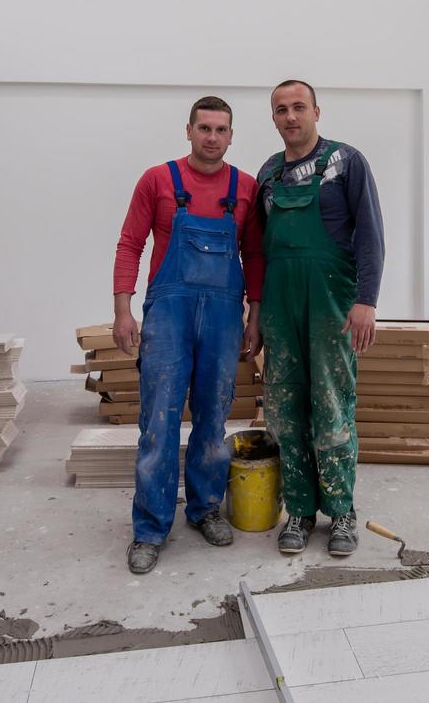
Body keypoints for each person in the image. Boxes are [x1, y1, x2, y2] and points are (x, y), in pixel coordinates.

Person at [112, 96, 264, 574]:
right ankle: (150, 527)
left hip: (223, 317)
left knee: (213, 420)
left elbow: (256, 256)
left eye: (221, 129)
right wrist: (123, 311)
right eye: (204, 128)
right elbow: (130, 243)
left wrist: (253, 317)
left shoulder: (246, 187)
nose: (212, 137)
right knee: (158, 421)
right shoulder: (158, 180)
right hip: (168, 314)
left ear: (232, 135)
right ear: (189, 130)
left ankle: (204, 509)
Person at [256, 79, 384, 556]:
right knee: (286, 411)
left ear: (316, 111)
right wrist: (256, 314)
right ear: (273, 118)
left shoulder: (345, 162)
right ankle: (300, 512)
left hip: (332, 301)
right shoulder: (267, 174)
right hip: (280, 303)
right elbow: (259, 250)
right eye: (281, 109)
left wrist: (366, 300)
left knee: (332, 405)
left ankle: (342, 511)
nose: (291, 116)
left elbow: (370, 234)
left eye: (299, 107)